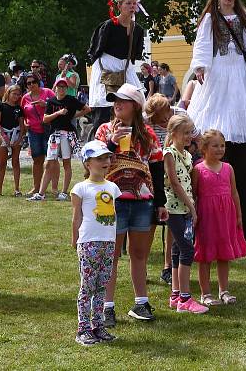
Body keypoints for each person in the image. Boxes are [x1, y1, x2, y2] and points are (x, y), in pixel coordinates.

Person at [187, 0, 246, 246]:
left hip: (238, 73)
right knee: (215, 117)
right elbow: (202, 45)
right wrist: (200, 66)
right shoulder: (210, 19)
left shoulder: (243, 16)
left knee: (241, 136)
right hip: (218, 72)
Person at [94, 83, 166, 325]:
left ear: (135, 106)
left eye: (122, 101)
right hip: (111, 201)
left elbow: (156, 168)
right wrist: (112, 143)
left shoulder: (147, 133)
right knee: (111, 255)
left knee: (139, 254)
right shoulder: (104, 130)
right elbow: (95, 163)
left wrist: (160, 203)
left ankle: (140, 302)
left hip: (142, 201)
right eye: (115, 101)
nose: (117, 105)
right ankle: (107, 307)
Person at [71, 140, 121, 346]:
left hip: (108, 242)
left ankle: (98, 326)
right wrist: (75, 239)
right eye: (99, 159)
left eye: (107, 158)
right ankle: (83, 328)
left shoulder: (113, 187)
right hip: (89, 243)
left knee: (102, 286)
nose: (105, 162)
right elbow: (76, 217)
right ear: (87, 163)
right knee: (87, 287)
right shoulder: (81, 188)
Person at [193, 130, 246, 306]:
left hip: (226, 217)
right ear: (204, 148)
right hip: (207, 217)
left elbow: (235, 193)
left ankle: (223, 290)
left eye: (222, 145)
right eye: (215, 145)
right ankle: (205, 293)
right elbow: (194, 194)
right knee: (206, 256)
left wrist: (238, 215)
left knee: (224, 254)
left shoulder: (228, 168)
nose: (219, 149)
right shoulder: (198, 170)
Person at [163, 114, 209, 314]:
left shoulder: (187, 155)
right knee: (187, 250)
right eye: (185, 133)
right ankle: (185, 298)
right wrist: (191, 206)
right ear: (174, 134)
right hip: (174, 207)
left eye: (191, 132)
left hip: (184, 207)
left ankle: (175, 294)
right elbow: (174, 182)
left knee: (177, 249)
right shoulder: (169, 154)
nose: (190, 136)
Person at [86, 0, 146, 140]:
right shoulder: (108, 26)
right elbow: (95, 51)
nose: (132, 6)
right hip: (106, 68)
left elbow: (134, 55)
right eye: (128, 3)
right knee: (105, 107)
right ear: (119, 6)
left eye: (134, 3)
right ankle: (102, 144)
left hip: (125, 69)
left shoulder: (137, 30)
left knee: (136, 102)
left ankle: (132, 140)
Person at [143, 93, 188, 285]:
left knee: (172, 220)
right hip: (153, 173)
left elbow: (193, 137)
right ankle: (141, 265)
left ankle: (168, 266)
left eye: (165, 115)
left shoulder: (180, 115)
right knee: (149, 222)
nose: (164, 121)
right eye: (159, 119)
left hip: (174, 172)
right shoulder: (145, 122)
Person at [29, 78, 90, 201]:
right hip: (54, 134)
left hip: (67, 134)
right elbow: (45, 119)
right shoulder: (51, 102)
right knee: (49, 163)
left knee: (66, 163)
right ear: (55, 88)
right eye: (59, 86)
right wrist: (59, 113)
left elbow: (87, 109)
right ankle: (41, 193)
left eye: (63, 87)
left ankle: (63, 192)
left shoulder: (71, 100)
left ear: (66, 89)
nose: (61, 89)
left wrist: (73, 115)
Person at [21, 74, 56, 196]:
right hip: (33, 131)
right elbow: (23, 114)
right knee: (37, 160)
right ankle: (36, 187)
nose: (31, 85)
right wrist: (25, 123)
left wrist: (46, 105)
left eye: (33, 82)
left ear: (38, 82)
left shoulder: (48, 92)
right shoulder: (25, 97)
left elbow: (58, 106)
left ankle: (53, 188)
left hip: (48, 130)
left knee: (51, 160)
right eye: (28, 83)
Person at [0, 85, 26, 197]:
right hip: (4, 135)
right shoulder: (1, 106)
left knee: (15, 162)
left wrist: (20, 138)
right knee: (2, 163)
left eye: (18, 95)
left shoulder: (19, 108)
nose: (16, 96)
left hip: (16, 135)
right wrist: (3, 135)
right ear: (8, 93)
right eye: (14, 94)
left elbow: (22, 125)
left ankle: (17, 189)